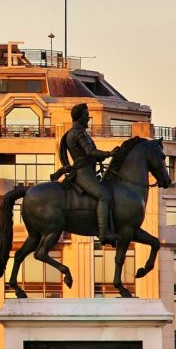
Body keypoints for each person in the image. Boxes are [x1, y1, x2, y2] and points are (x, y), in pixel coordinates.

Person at [58, 103, 116, 244]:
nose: (88, 118)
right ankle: (104, 233)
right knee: (104, 196)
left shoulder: (78, 132)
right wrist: (109, 153)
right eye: (85, 115)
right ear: (79, 117)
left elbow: (90, 154)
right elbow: (90, 152)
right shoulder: (78, 133)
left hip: (86, 169)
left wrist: (102, 156)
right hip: (82, 172)